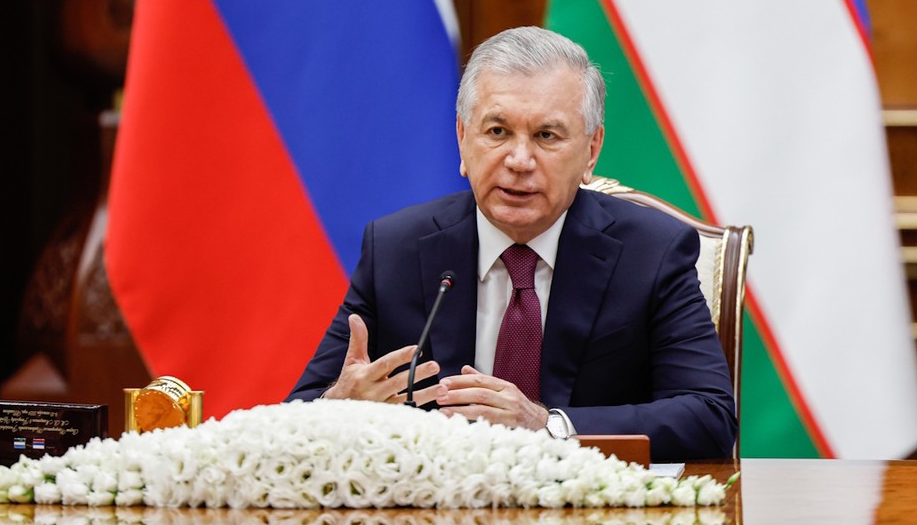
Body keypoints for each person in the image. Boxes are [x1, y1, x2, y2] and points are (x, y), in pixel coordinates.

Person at [287, 26, 737, 461]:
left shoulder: (652, 253)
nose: (520, 161)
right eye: (497, 132)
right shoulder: (397, 249)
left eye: (546, 136)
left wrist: (548, 426)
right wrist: (338, 406)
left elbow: (710, 417)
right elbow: (293, 418)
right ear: (463, 138)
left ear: (591, 150)